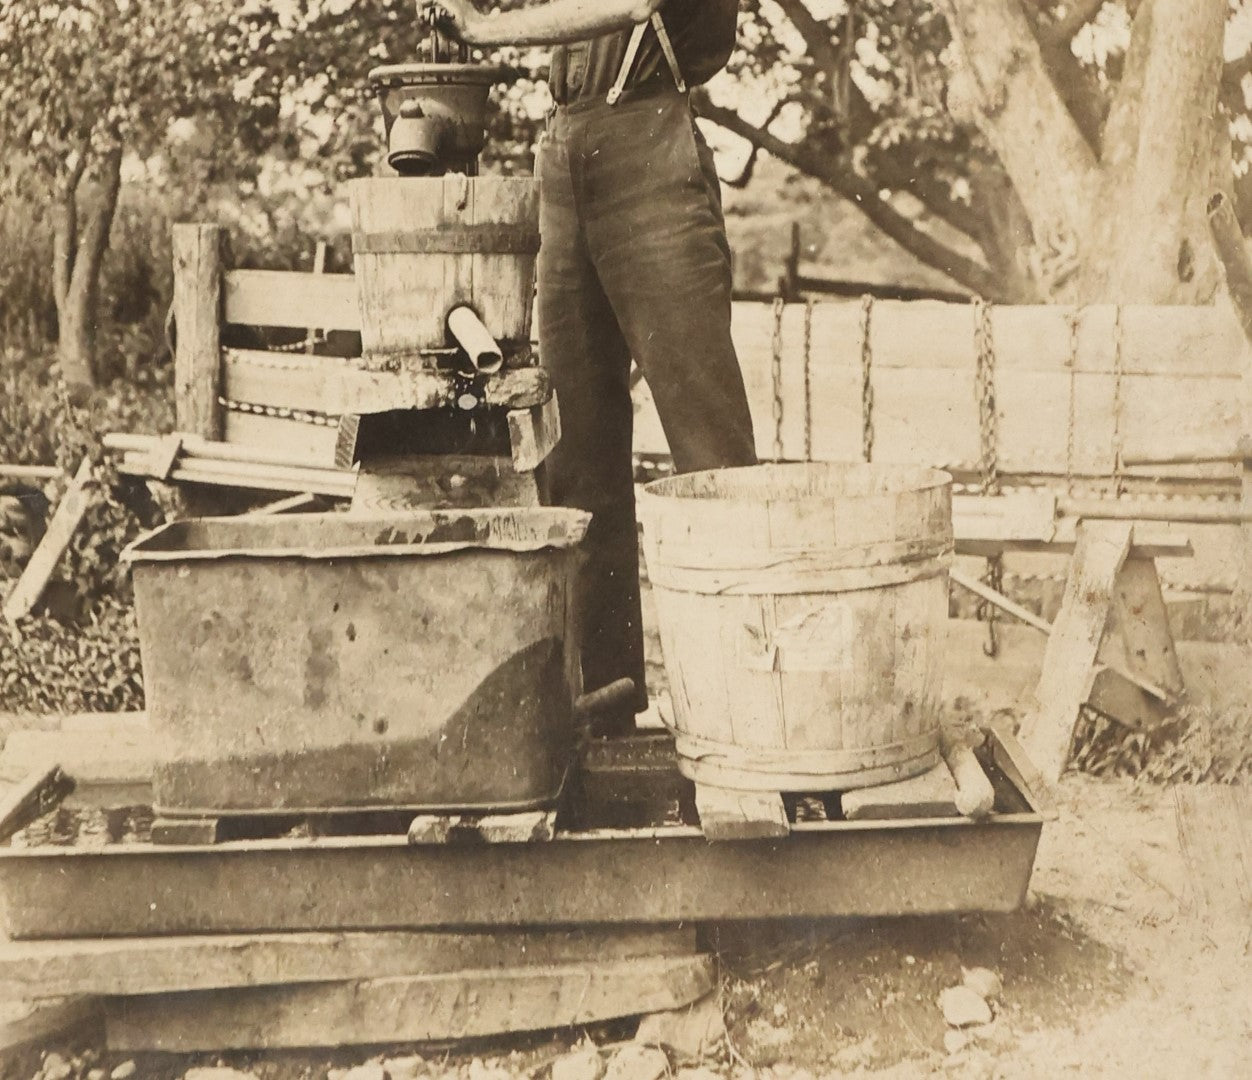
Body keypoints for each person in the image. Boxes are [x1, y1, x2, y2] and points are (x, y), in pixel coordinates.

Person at [432, 0, 757, 734]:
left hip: (649, 150)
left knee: (712, 456)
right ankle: (606, 703)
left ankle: (755, 712)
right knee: (575, 451)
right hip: (565, 150)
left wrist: (480, 30)